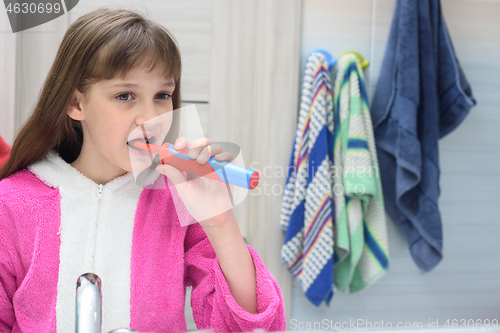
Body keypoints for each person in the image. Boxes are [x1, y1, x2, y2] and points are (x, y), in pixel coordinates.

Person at [0, 8, 285, 333]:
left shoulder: (176, 200)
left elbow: (252, 325)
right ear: (76, 104)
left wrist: (220, 220)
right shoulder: (10, 203)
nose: (150, 118)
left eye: (162, 95)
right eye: (125, 96)